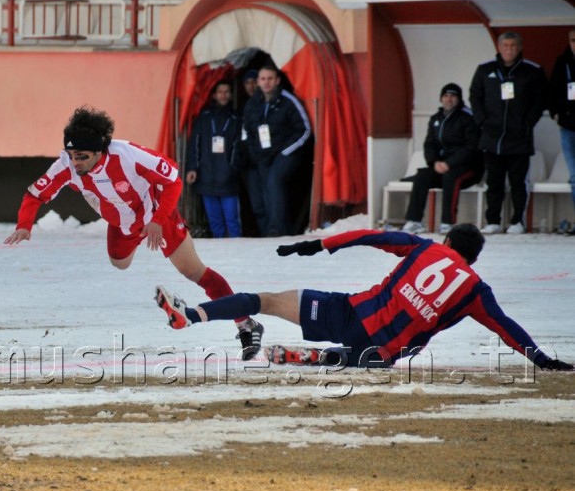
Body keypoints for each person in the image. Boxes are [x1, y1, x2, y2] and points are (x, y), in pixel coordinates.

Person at [4, 106, 264, 356]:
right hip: (122, 223)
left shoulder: (128, 155)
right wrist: (25, 225)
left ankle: (246, 324)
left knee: (193, 271)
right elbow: (34, 194)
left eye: (82, 156)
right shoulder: (67, 166)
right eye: (71, 155)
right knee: (119, 263)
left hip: (155, 216)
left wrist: (159, 219)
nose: (76, 162)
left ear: (100, 151)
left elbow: (173, 179)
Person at [156, 224, 574, 371]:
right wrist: (541, 359)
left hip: (349, 314)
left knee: (264, 300)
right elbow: (506, 328)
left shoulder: (426, 247)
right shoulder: (476, 291)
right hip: (384, 351)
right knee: (383, 354)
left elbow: (371, 236)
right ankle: (328, 359)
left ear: (447, 241)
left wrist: (320, 244)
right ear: (474, 257)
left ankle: (192, 315)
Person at [469, 31, 547, 235]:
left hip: (519, 138)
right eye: (505, 45)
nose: (509, 49)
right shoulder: (485, 69)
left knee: (518, 182)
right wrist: (482, 121)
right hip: (491, 137)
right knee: (493, 182)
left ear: (519, 47)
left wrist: (527, 123)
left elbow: (539, 101)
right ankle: (493, 220)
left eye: (513, 46)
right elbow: (475, 96)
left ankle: (517, 221)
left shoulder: (532, 70)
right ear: (499, 47)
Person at [242, 64, 314, 236]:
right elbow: (246, 129)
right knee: (266, 189)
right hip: (263, 154)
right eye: (263, 79)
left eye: (270, 79)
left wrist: (285, 152)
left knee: (274, 181)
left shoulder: (288, 100)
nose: (266, 83)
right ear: (258, 82)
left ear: (277, 81)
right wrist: (253, 151)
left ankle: (276, 232)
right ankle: (274, 230)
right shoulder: (253, 103)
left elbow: (305, 129)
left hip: (287, 153)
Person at [402, 83, 483, 235]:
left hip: (467, 168)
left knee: (451, 177)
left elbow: (472, 147)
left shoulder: (468, 118)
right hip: (442, 166)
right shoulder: (436, 119)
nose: (449, 99)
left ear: (459, 99)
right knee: (422, 176)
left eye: (453, 96)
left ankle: (447, 222)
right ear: (441, 99)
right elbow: (429, 144)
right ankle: (414, 221)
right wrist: (434, 162)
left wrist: (449, 163)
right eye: (445, 96)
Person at [185, 80, 242, 238]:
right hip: (206, 174)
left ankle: (239, 252)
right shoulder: (204, 116)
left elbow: (240, 147)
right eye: (220, 92)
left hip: (228, 176)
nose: (223, 95)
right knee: (215, 222)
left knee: (232, 221)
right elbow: (194, 144)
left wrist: (233, 168)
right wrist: (192, 168)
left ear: (230, 94)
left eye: (226, 91)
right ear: (214, 95)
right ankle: (220, 254)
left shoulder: (236, 118)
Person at [548, 27, 575, 230]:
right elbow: (552, 90)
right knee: (574, 177)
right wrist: (555, 113)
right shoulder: (562, 62)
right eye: (573, 40)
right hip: (568, 127)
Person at [237, 69, 269, 237]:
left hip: (266, 160)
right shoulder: (242, 106)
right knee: (257, 204)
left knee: (270, 201)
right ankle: (264, 235)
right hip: (249, 163)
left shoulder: (266, 103)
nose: (250, 86)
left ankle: (273, 234)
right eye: (246, 82)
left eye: (253, 81)